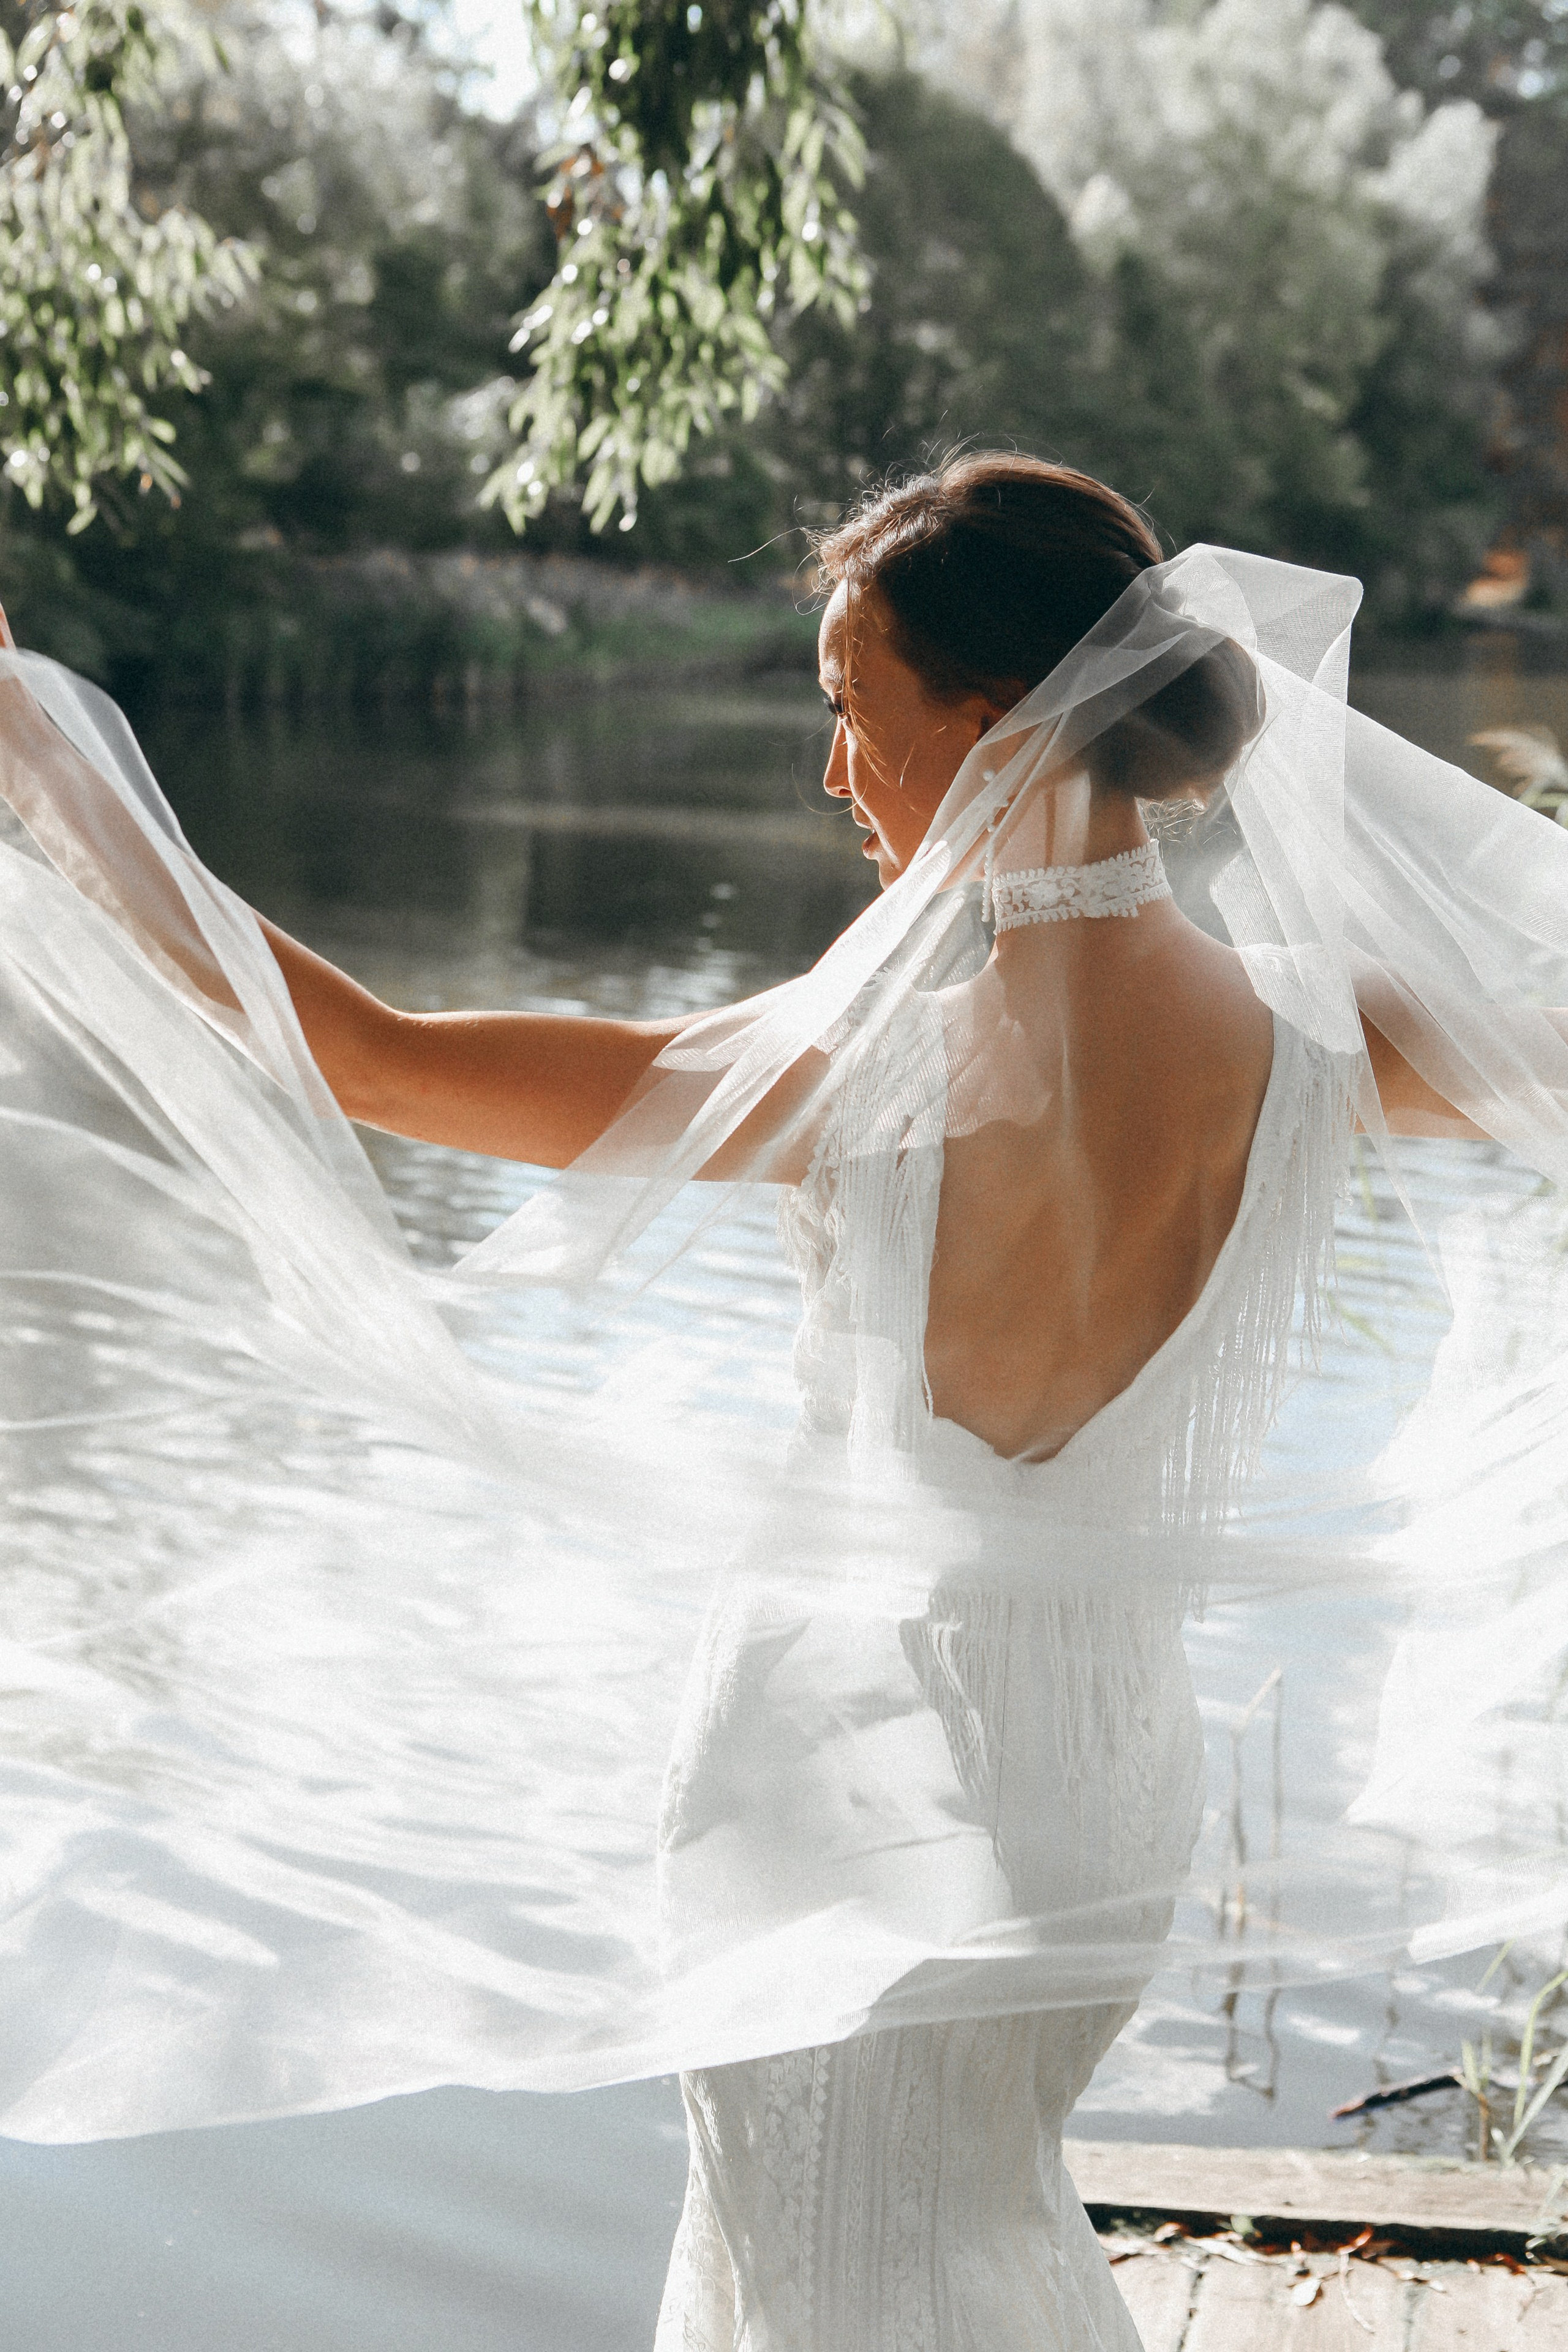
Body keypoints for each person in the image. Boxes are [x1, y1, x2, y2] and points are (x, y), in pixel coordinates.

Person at [0, 454, 1564, 2346]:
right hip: (1109, 1776)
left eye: (854, 710)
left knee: (835, 2271)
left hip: (844, 1763)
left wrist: (29, 730)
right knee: (959, 2245)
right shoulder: (1326, 1037)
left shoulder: (875, 1066)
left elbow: (366, 1058)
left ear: (995, 736)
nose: (832, 772)